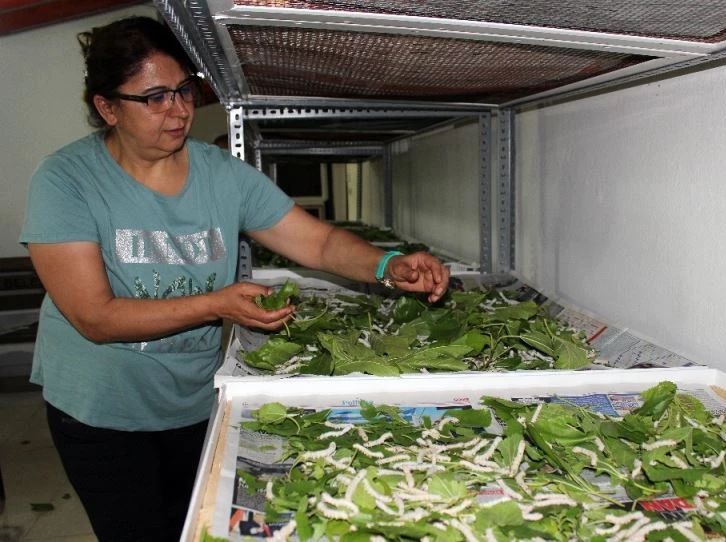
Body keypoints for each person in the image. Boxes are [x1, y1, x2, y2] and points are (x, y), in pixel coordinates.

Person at [18, 16, 449, 542]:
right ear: (107, 108)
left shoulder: (222, 175)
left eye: (183, 90)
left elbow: (317, 242)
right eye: (154, 97)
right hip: (101, 410)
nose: (178, 110)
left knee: (193, 524)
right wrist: (216, 303)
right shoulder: (66, 181)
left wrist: (387, 266)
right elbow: (94, 316)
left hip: (194, 401)